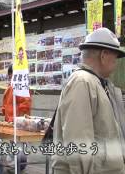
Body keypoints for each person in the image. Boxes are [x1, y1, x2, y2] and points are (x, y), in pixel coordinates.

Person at [52, 28, 125, 173]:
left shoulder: (96, 82)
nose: (115, 63)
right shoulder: (82, 82)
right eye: (115, 57)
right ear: (104, 55)